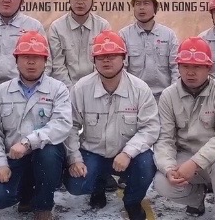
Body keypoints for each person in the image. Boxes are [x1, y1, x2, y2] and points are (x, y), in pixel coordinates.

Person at [65, 30, 159, 220]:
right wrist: (75, 159)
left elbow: (150, 128)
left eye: (112, 55)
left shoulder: (140, 89)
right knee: (76, 185)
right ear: (94, 60)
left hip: (128, 154)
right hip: (94, 152)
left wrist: (128, 152)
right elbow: (70, 126)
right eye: (101, 56)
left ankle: (132, 201)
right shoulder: (81, 88)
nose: (106, 60)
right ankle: (97, 187)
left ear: (124, 58)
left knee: (147, 165)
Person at [0, 31, 72, 220]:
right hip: (14, 157)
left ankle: (44, 205)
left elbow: (62, 124)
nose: (31, 62)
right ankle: (26, 194)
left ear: (45, 61)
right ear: (16, 60)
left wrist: (27, 142)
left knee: (48, 153)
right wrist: (0, 164)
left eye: (37, 57)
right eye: (25, 57)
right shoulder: (2, 91)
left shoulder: (58, 89)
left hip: (46, 156)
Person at [153, 36, 215, 219]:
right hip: (184, 155)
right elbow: (165, 139)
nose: (191, 72)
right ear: (178, 67)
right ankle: (196, 198)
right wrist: (168, 168)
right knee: (162, 182)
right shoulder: (168, 96)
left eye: (197, 67)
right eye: (185, 66)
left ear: (209, 68)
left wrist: (195, 162)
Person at [48, 0, 110, 88]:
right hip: (65, 89)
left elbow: (104, 63)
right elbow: (57, 66)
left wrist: (90, 90)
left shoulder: (103, 26)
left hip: (96, 87)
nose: (80, 2)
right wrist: (70, 91)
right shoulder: (56, 27)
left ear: (93, 1)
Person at [118, 0, 179, 98]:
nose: (141, 8)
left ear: (155, 8)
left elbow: (176, 69)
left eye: (146, 3)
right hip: (134, 96)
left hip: (163, 97)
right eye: (138, 4)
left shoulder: (169, 35)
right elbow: (122, 69)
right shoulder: (124, 35)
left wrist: (172, 97)